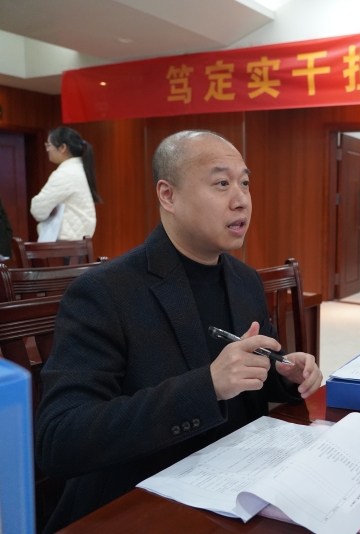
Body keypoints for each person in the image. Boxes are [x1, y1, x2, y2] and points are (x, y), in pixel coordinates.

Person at [35, 130, 322, 533]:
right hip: (139, 505)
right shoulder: (104, 292)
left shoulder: (245, 281)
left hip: (237, 492)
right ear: (168, 195)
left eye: (244, 183)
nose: (241, 199)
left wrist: (283, 373)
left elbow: (248, 383)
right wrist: (208, 385)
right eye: (221, 183)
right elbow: (59, 439)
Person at [31, 126, 101, 240]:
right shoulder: (79, 169)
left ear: (63, 147)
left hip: (65, 243)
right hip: (78, 242)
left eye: (49, 145)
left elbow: (37, 210)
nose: (47, 150)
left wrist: (50, 210)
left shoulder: (66, 173)